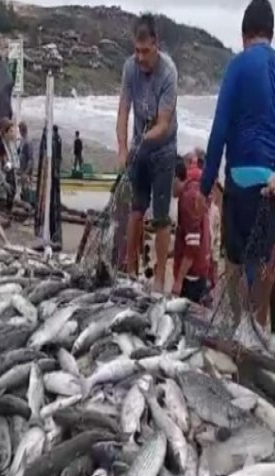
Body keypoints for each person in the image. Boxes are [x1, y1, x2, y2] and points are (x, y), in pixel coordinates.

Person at [201, 0, 275, 331]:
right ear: (271, 35)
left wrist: (205, 186)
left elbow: (219, 132)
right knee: (263, 267)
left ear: (244, 34)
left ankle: (238, 333)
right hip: (272, 184)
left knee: (235, 266)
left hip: (240, 184)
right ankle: (259, 338)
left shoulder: (237, 66)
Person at [117, 14, 179, 291]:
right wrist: (122, 148)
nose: (140, 57)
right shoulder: (130, 68)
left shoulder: (168, 73)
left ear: (157, 45)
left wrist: (142, 140)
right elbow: (123, 111)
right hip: (139, 145)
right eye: (136, 50)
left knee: (161, 216)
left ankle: (159, 280)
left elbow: (164, 125)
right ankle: (130, 269)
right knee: (136, 209)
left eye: (145, 51)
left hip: (163, 149)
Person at [172, 154, 211, 303]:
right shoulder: (195, 189)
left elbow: (193, 245)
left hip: (191, 276)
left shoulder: (187, 199)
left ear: (175, 179)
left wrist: (179, 280)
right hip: (200, 267)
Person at [35, 125, 63, 244]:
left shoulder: (51, 141)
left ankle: (48, 232)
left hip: (50, 180)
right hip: (51, 179)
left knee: (50, 205)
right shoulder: (55, 140)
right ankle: (51, 233)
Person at [0, 117, 19, 211]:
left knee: (11, 196)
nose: (13, 133)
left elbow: (16, 160)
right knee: (4, 200)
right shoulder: (0, 146)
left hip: (12, 176)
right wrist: (12, 165)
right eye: (11, 131)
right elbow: (3, 166)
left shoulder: (12, 144)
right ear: (5, 133)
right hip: (3, 178)